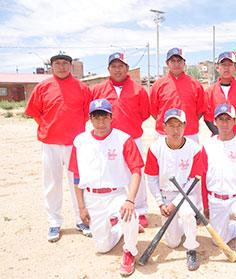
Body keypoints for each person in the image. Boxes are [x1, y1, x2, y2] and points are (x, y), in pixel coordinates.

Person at [68, 99, 143, 277]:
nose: (101, 122)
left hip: (116, 194)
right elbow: (76, 176)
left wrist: (130, 200)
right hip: (92, 197)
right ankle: (120, 228)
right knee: (102, 247)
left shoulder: (123, 139)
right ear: (90, 119)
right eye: (96, 117)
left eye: (105, 117)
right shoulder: (80, 141)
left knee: (129, 214)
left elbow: (136, 170)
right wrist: (81, 207)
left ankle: (129, 251)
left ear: (111, 117)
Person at [25, 52, 92, 242]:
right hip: (50, 144)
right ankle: (54, 222)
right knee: (52, 183)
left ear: (71, 66)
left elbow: (87, 114)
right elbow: (35, 113)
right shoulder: (43, 87)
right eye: (57, 63)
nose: (61, 67)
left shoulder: (81, 87)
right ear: (51, 66)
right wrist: (49, 127)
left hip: (75, 144)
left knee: (78, 184)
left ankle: (82, 219)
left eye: (65, 63)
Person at [91, 52, 150, 232]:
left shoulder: (138, 89)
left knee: (136, 172)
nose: (117, 69)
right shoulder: (98, 89)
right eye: (114, 66)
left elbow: (145, 113)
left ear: (127, 68)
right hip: (109, 139)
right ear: (109, 69)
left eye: (121, 66)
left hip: (133, 137)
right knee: (112, 173)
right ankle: (116, 212)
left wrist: (130, 125)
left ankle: (140, 210)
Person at [201, 103, 236, 269]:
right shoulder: (207, 145)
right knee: (218, 240)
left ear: (235, 121)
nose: (224, 123)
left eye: (228, 119)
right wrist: (205, 205)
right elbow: (204, 176)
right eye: (221, 119)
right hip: (216, 199)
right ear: (215, 121)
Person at [144, 108, 203, 271]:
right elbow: (151, 177)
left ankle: (191, 248)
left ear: (185, 126)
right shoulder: (155, 148)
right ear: (164, 127)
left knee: (187, 213)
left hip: (187, 194)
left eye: (179, 125)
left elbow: (193, 182)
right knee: (172, 243)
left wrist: (175, 204)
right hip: (165, 196)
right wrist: (160, 203)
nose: (175, 130)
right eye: (171, 125)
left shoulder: (195, 149)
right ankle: (185, 226)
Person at [150, 48, 205, 143]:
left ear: (184, 63)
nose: (176, 64)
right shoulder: (158, 85)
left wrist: (188, 122)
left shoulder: (195, 85)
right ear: (167, 63)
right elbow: (153, 111)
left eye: (179, 61)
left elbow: (200, 110)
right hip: (164, 135)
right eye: (173, 61)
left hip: (189, 134)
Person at [204, 51, 236, 137]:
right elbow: (208, 118)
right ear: (218, 68)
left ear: (235, 68)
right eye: (223, 65)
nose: (226, 68)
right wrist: (219, 135)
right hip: (219, 140)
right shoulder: (209, 92)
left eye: (229, 65)